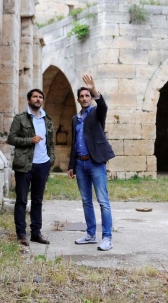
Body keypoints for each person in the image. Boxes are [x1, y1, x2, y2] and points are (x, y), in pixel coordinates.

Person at [67, 75, 115, 251]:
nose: (85, 98)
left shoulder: (96, 113)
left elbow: (103, 105)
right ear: (78, 99)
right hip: (80, 164)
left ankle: (107, 237)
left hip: (96, 163)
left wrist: (94, 89)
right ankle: (90, 235)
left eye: (88, 95)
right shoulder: (75, 119)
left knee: (103, 200)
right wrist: (71, 165)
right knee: (86, 200)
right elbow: (74, 142)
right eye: (82, 96)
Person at [7, 89, 55, 246]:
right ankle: (21, 234)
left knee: (37, 200)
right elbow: (11, 138)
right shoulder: (20, 118)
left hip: (42, 164)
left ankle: (36, 233)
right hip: (24, 165)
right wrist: (30, 140)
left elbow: (51, 143)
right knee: (21, 200)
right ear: (29, 100)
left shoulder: (47, 120)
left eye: (40, 97)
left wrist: (50, 160)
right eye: (35, 97)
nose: (38, 99)